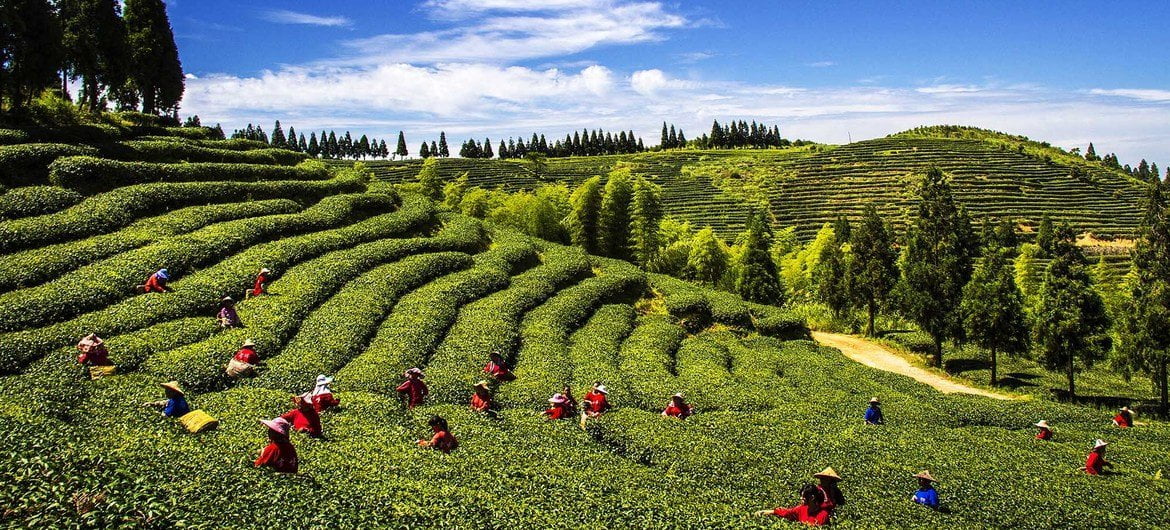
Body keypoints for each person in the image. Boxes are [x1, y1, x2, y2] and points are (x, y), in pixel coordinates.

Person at [755, 484, 831, 526]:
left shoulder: (823, 514)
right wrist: (766, 512)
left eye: (804, 496)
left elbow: (814, 526)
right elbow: (786, 512)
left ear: (812, 497)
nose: (801, 498)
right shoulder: (801, 509)